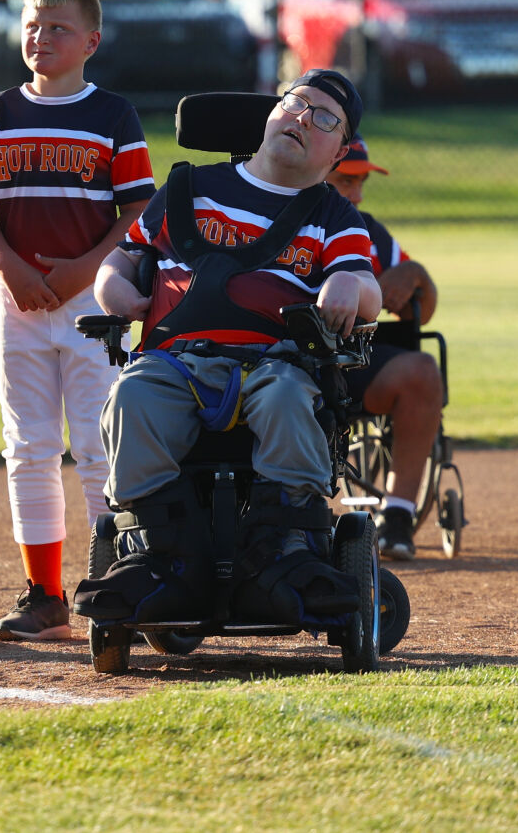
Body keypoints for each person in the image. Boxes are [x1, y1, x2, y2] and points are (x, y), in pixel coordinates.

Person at [73, 70, 383, 626]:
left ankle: (285, 550)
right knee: (132, 399)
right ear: (272, 114)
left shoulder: (332, 215)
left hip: (277, 363)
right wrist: (111, 285)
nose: (303, 118)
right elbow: (123, 257)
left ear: (339, 153)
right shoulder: (188, 189)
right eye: (296, 103)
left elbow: (370, 292)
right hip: (176, 359)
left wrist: (346, 283)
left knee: (288, 400)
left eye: (325, 119)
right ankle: (160, 553)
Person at [0, 0, 155, 642]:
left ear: (92, 41)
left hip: (93, 302)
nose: (41, 37)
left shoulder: (112, 114)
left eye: (59, 28)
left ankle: (114, 584)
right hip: (17, 300)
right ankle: (45, 595)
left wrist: (85, 269)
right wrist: (8, 266)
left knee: (99, 446)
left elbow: (138, 211)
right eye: (32, 26)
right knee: (29, 446)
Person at [325, 135, 443, 561]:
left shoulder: (369, 231)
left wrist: (416, 274)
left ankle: (397, 516)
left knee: (423, 370)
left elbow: (421, 313)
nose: (357, 194)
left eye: (361, 183)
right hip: (288, 361)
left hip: (355, 364)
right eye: (346, 181)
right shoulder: (278, 218)